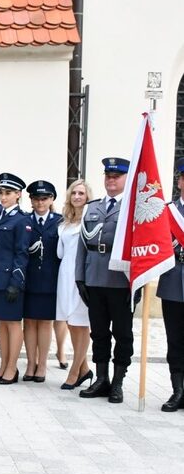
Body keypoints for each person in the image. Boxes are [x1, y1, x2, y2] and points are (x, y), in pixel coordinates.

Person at [76, 158, 134, 404]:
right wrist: (80, 277)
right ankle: (101, 379)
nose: (111, 180)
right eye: (108, 175)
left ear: (126, 179)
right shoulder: (92, 207)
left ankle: (118, 382)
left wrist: (138, 283)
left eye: (116, 176)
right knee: (99, 333)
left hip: (121, 280)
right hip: (94, 277)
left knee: (122, 334)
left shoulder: (133, 207)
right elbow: (82, 245)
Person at [0, 173, 30, 385]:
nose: (3, 197)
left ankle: (12, 367)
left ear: (18, 194)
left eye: (8, 193)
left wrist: (16, 282)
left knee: (12, 323)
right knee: (0, 323)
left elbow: (22, 253)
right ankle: (3, 366)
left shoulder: (21, 220)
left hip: (10, 280)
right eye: (1, 192)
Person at [21, 180, 62, 383]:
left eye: (44, 198)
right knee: (29, 322)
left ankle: (42, 364)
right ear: (30, 200)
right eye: (36, 198)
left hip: (50, 280)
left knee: (45, 323)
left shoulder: (60, 221)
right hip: (28, 279)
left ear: (52, 199)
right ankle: (30, 363)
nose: (40, 202)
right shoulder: (24, 220)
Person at [56, 179, 93, 390]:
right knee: (70, 323)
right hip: (65, 275)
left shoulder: (90, 220)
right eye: (74, 193)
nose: (77, 197)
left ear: (87, 197)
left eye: (81, 193)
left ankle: (74, 372)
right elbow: (60, 253)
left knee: (81, 323)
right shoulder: (64, 224)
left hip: (82, 276)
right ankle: (85, 369)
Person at [157, 159, 184, 411]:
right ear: (180, 181)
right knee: (174, 340)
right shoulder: (166, 212)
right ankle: (178, 391)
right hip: (173, 281)